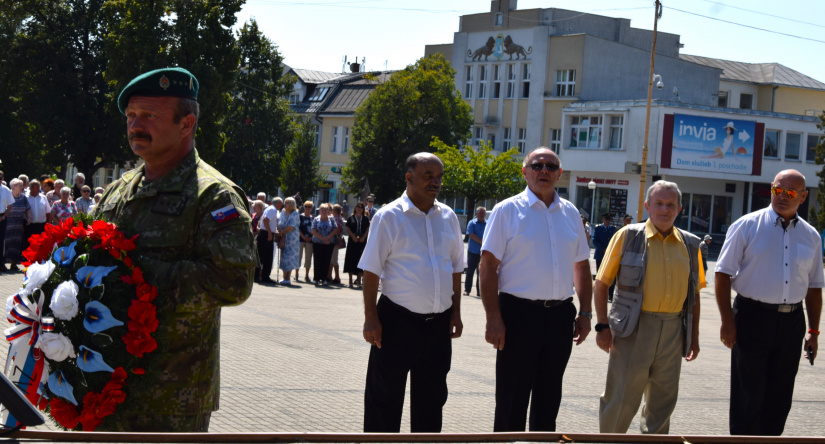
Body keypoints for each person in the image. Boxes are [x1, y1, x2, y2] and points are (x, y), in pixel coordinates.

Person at [93, 67, 255, 432]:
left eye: (149, 115)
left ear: (187, 124)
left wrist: (136, 279)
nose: (136, 125)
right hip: (104, 387)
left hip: (171, 398)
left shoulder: (213, 196)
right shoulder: (119, 191)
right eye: (132, 116)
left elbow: (231, 282)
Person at [479, 147, 592, 432]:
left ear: (560, 174)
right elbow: (488, 265)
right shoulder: (507, 210)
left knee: (549, 397)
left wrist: (586, 312)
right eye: (537, 165)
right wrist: (493, 316)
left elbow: (581, 266)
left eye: (551, 166)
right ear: (525, 171)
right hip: (518, 315)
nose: (544, 170)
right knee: (512, 399)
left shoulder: (570, 213)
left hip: (559, 317)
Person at [359, 152, 464, 433]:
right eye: (428, 176)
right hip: (395, 322)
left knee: (431, 402)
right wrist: (371, 318)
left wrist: (456, 313)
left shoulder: (449, 217)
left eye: (439, 177)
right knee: (384, 400)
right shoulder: (388, 217)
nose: (435, 182)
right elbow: (371, 271)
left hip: (438, 326)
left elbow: (455, 269)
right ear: (409, 177)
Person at [715, 169, 822, 436]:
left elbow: (814, 287)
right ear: (771, 189)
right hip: (752, 318)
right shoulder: (746, 226)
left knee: (780, 395)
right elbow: (722, 274)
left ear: (803, 196)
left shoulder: (811, 236)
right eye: (777, 190)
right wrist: (727, 322)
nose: (782, 197)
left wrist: (813, 331)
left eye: (790, 193)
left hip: (791, 322)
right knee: (747, 394)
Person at [594, 180, 704, 434]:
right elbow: (601, 285)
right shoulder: (628, 236)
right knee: (621, 398)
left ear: (679, 209)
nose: (664, 210)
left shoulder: (691, 244)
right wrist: (602, 326)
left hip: (673, 330)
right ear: (647, 206)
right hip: (634, 329)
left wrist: (694, 339)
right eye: (659, 204)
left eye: (670, 205)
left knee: (662, 403)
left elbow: (694, 298)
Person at [3, 179, 31, 271]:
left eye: (22, 185)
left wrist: (29, 217)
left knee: (16, 244)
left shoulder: (23, 197)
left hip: (18, 225)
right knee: (6, 244)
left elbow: (28, 208)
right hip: (7, 225)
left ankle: (14, 264)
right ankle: (2, 263)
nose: (22, 187)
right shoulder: (7, 195)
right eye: (20, 185)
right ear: (14, 187)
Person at [344, 201, 369, 288]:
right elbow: (347, 227)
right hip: (352, 242)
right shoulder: (351, 218)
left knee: (360, 260)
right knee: (350, 259)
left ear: (363, 209)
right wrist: (353, 236)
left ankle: (359, 281)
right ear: (355, 208)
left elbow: (367, 228)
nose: (359, 208)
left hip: (362, 242)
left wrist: (363, 237)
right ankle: (350, 281)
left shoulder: (365, 219)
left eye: (361, 207)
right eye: (358, 207)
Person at [256, 197, 282, 284]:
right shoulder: (272, 209)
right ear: (278, 203)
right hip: (266, 234)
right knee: (262, 256)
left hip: (267, 232)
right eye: (281, 204)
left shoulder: (271, 209)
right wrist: (270, 233)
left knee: (267, 257)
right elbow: (265, 220)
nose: (281, 206)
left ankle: (265, 276)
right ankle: (259, 276)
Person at [311, 203, 337, 286]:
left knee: (326, 261)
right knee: (317, 260)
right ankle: (316, 278)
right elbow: (313, 231)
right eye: (322, 210)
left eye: (325, 210)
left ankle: (324, 279)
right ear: (320, 211)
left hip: (329, 243)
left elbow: (335, 229)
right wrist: (323, 238)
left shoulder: (332, 219)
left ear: (328, 211)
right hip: (317, 243)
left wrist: (327, 238)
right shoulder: (316, 219)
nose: (324, 211)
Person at [592, 213, 617, 299]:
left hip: (609, 255)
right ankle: (599, 294)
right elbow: (594, 240)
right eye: (606, 219)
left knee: (610, 275)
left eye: (609, 219)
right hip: (600, 254)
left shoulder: (613, 229)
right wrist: (602, 248)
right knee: (600, 275)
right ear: (603, 219)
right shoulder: (598, 228)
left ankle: (610, 295)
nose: (608, 221)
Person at [277, 197, 300, 285]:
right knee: (283, 257)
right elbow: (279, 222)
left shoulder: (295, 214)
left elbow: (291, 226)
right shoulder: (283, 212)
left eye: (287, 203)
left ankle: (288, 277)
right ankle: (284, 276)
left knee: (289, 257)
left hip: (291, 239)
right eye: (285, 202)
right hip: (283, 237)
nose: (284, 204)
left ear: (291, 204)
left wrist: (281, 233)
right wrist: (279, 230)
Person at [464, 206, 487, 297]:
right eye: (479, 212)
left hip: (483, 252)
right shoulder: (472, 223)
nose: (481, 214)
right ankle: (467, 290)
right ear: (476, 214)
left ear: (485, 214)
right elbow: (471, 234)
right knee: (470, 272)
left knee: (481, 273)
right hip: (473, 251)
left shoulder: (488, 224)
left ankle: (479, 292)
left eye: (483, 213)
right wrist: (482, 241)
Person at [24, 180, 51, 252]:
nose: (39, 188)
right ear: (31, 188)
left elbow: (48, 212)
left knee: (40, 243)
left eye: (38, 186)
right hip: (29, 225)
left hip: (41, 225)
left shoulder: (43, 197)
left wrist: (48, 224)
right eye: (36, 187)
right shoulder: (25, 197)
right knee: (29, 243)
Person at [328, 204, 345, 284]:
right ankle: (329, 276)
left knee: (334, 260)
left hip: (335, 242)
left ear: (334, 211)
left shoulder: (338, 219)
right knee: (331, 260)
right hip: (333, 241)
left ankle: (337, 277)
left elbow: (337, 230)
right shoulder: (335, 218)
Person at [0, 172, 14, 271]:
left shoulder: (6, 190)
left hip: (2, 217)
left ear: (2, 178)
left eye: (0, 178)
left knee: (1, 241)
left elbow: (10, 206)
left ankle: (1, 263)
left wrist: (4, 216)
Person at [298, 201, 315, 282]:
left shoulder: (313, 218)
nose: (307, 208)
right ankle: (296, 274)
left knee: (308, 258)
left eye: (309, 207)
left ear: (311, 208)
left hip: (310, 240)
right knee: (299, 257)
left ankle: (307, 275)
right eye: (306, 206)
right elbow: (298, 228)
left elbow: (315, 229)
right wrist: (303, 237)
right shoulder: (300, 217)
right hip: (301, 239)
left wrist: (311, 237)